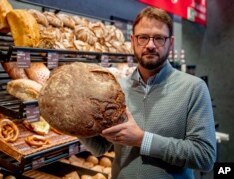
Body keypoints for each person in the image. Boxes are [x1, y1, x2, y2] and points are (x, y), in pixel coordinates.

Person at [79, 6, 216, 179]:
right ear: (133, 40)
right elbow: (100, 147)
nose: (150, 45)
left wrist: (142, 140)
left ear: (170, 43)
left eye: (159, 38)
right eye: (143, 37)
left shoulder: (194, 88)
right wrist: (70, 118)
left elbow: (205, 157)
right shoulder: (116, 89)